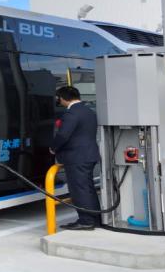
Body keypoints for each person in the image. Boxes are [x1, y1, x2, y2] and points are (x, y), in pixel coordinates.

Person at [51, 86, 101, 231]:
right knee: (88, 189)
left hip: (76, 157)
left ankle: (85, 221)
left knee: (79, 190)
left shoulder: (71, 113)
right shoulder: (88, 111)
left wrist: (53, 147)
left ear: (63, 98)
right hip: (89, 155)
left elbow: (63, 135)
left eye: (59, 99)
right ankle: (95, 218)